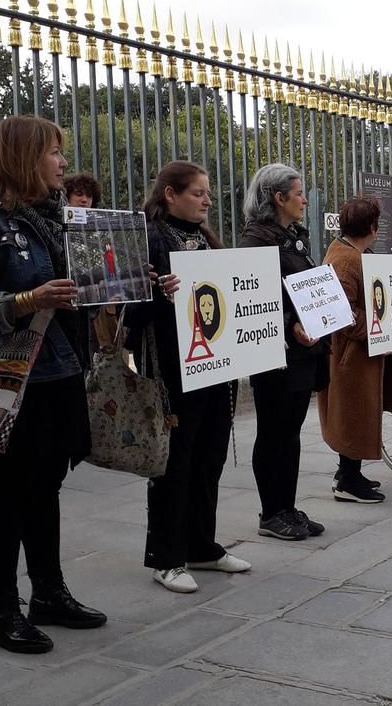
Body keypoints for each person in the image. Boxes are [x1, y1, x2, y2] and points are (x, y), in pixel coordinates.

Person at [0, 116, 106, 652]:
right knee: (7, 496)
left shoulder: (59, 220)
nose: (62, 163)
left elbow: (89, 283)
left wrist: (136, 281)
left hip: (63, 370)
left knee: (46, 489)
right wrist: (27, 300)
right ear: (24, 157)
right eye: (53, 152)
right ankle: (2, 612)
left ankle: (49, 592)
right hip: (15, 378)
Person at [125, 161, 249, 593]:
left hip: (216, 365)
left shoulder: (204, 239)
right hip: (173, 369)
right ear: (170, 195)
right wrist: (158, 294)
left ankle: (201, 544)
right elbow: (128, 307)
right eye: (198, 193)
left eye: (207, 193)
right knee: (175, 462)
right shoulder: (150, 239)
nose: (207, 201)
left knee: (209, 456)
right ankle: (166, 555)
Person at [238, 163, 327, 541]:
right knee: (273, 432)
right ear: (279, 198)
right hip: (275, 352)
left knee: (290, 432)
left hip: (302, 350)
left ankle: (287, 506)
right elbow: (256, 294)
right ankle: (271, 511)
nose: (305, 199)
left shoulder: (292, 236)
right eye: (299, 193)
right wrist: (292, 321)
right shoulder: (256, 240)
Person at [319, 197, 392, 502]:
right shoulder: (346, 260)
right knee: (352, 414)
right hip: (351, 355)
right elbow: (343, 316)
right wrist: (378, 329)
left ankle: (349, 473)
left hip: (358, 353)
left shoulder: (351, 253)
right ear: (372, 226)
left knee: (356, 413)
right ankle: (347, 483)